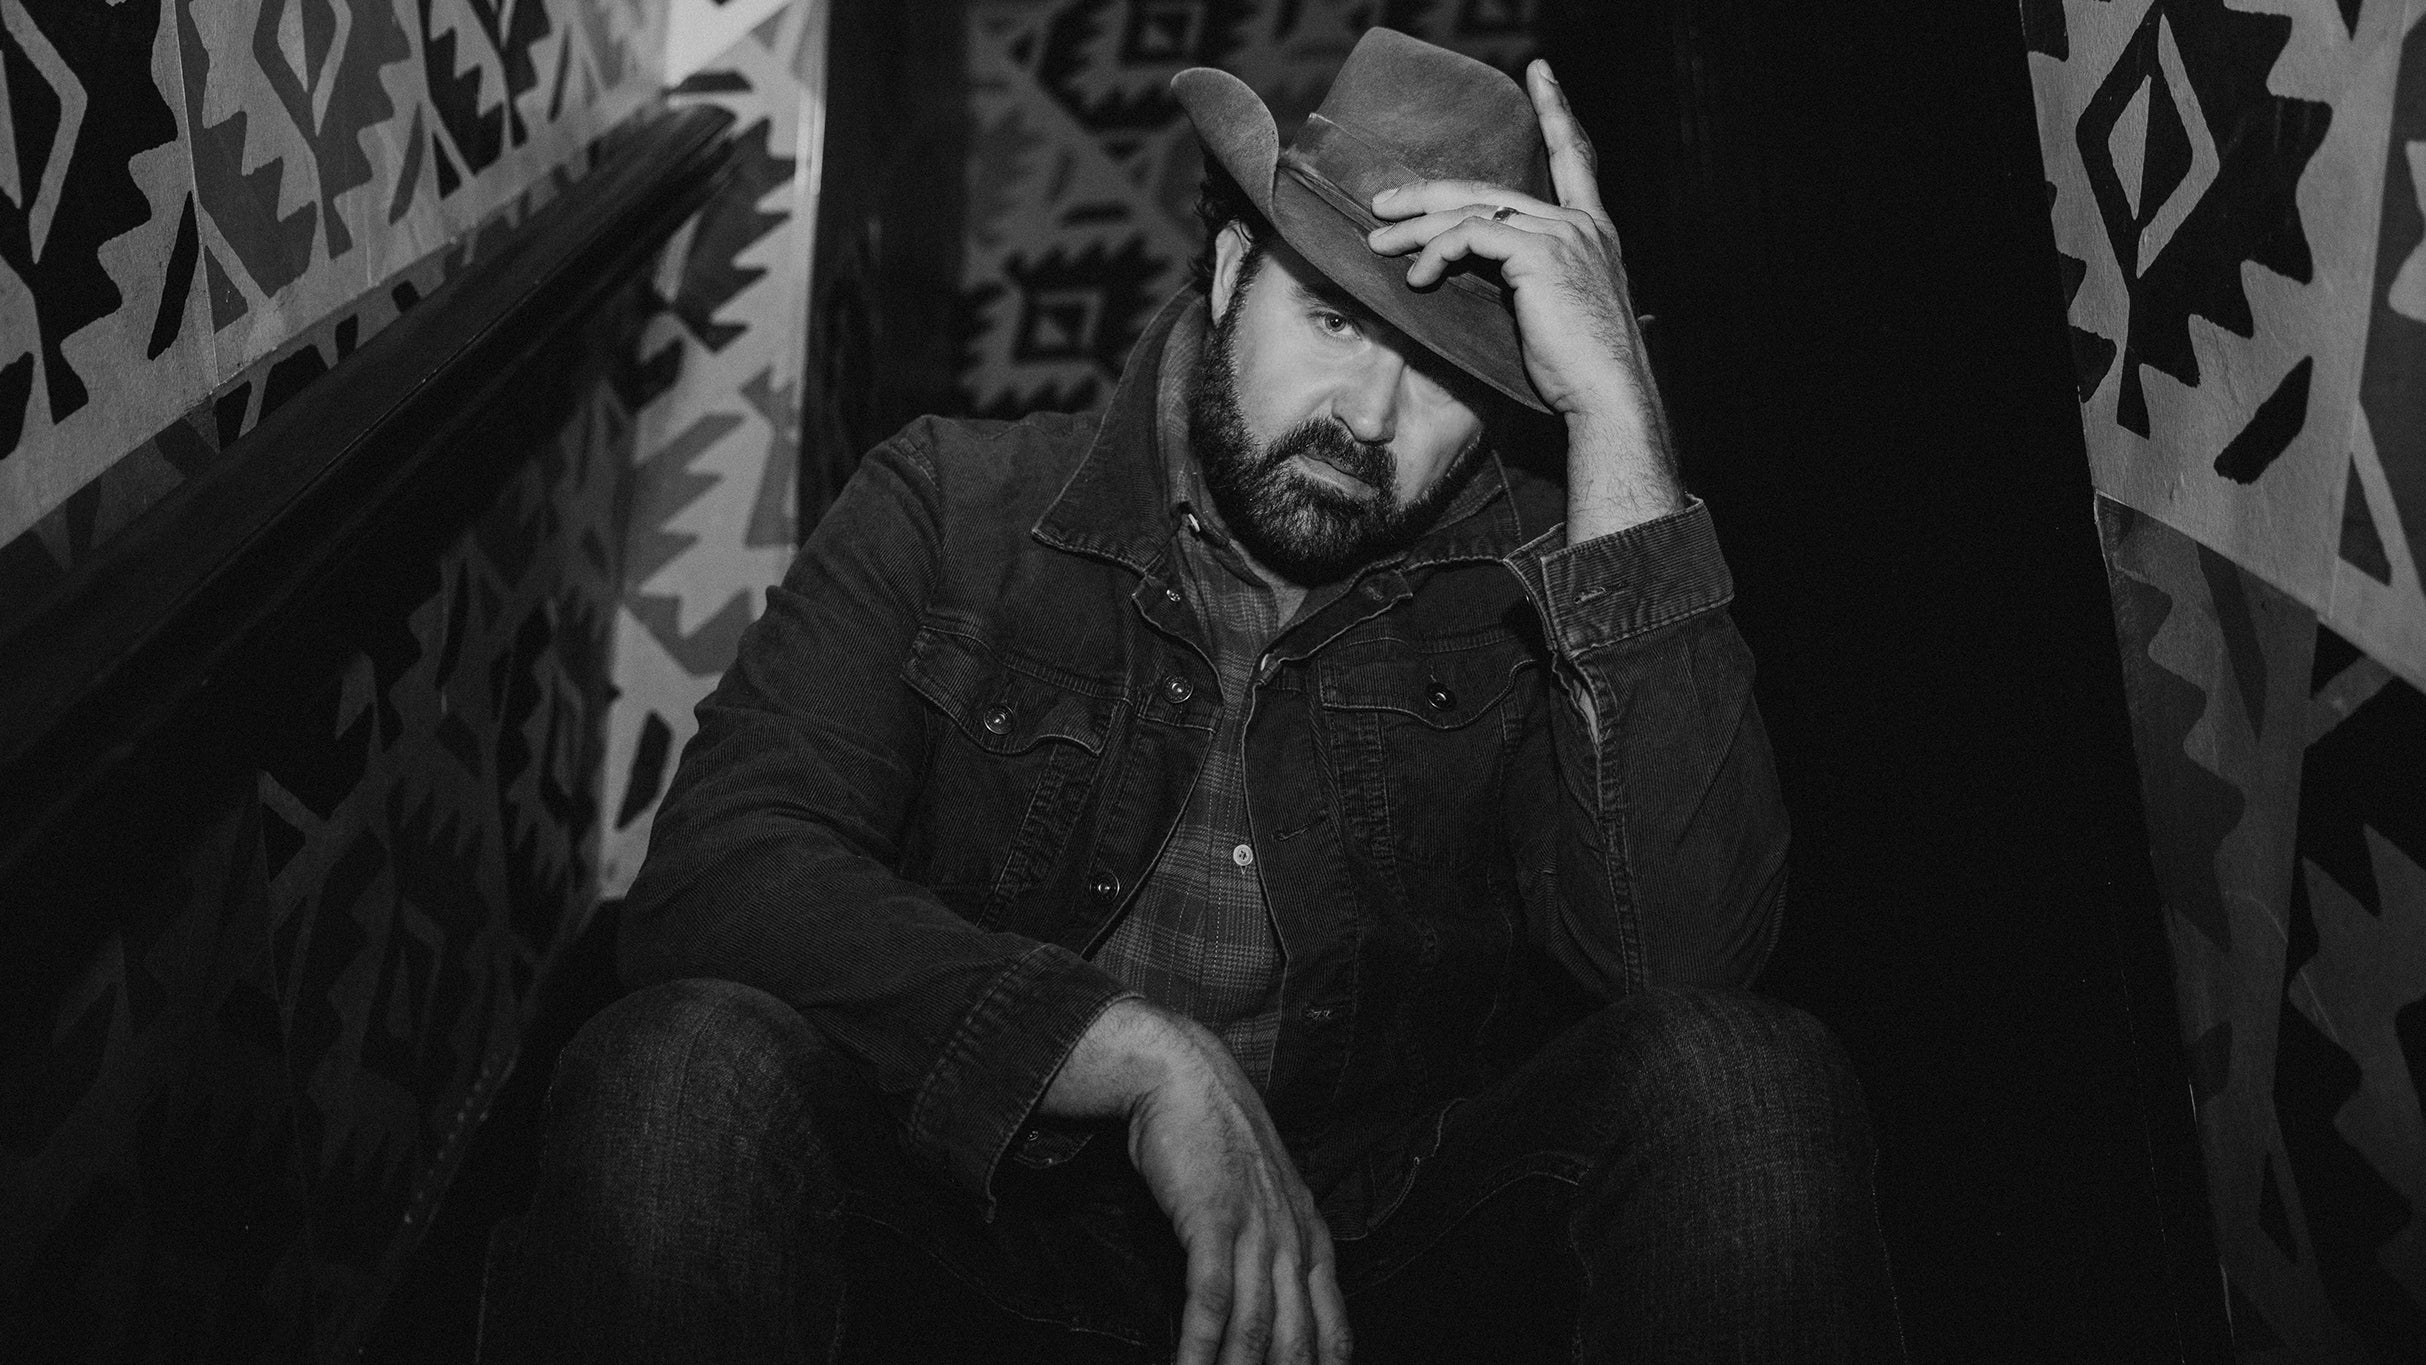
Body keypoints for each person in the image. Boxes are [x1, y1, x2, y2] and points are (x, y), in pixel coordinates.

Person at [499, 29, 1902, 1365]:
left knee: (1739, 1080)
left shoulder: (1528, 570)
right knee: (676, 1069)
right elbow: (721, 873)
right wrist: (1127, 1055)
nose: (1367, 419)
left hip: (1373, 1255)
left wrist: (1618, 418)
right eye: (1334, 320)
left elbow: (1685, 971)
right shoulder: (952, 504)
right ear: (1231, 270)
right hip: (977, 1221)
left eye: (1443, 378)